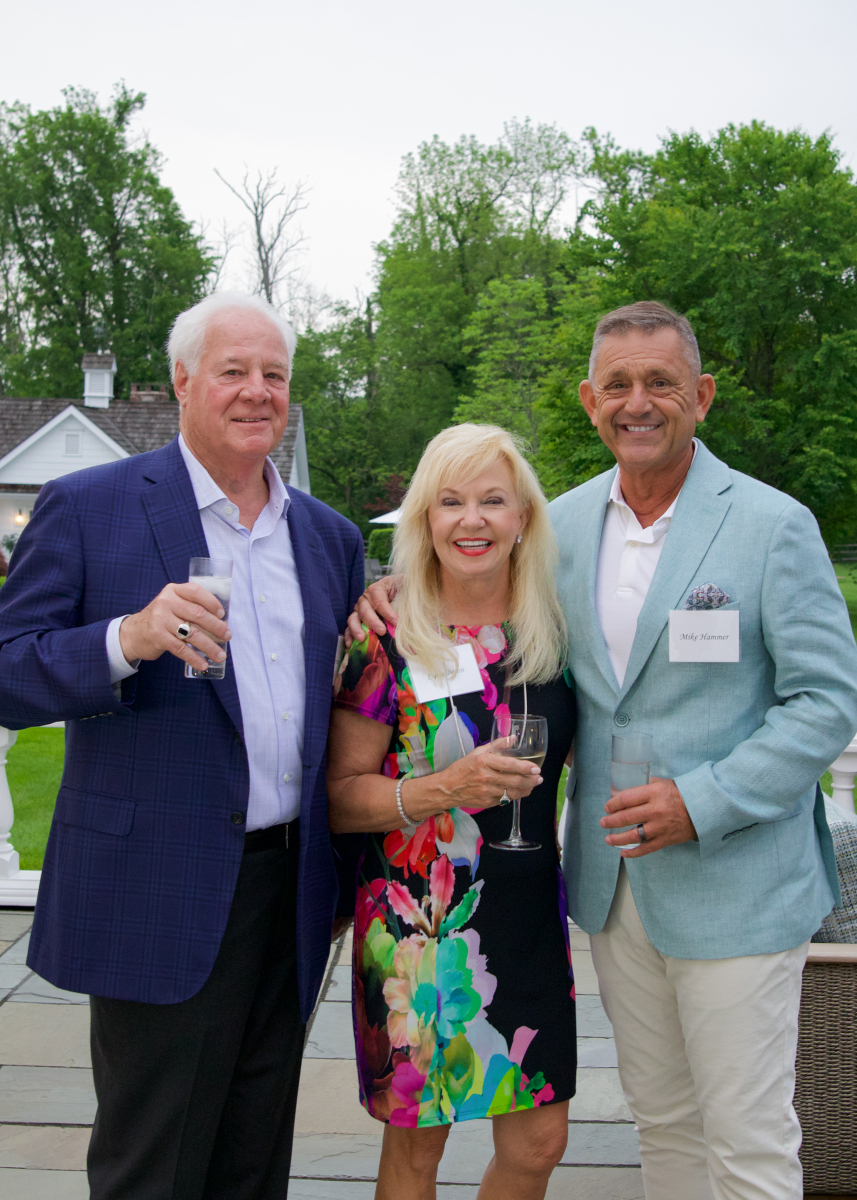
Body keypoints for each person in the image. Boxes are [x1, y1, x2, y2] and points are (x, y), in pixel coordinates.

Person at [351, 302, 857, 1200]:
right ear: (590, 402)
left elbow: (826, 702)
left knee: (747, 1143)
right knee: (662, 1125)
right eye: (616, 385)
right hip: (611, 893)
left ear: (701, 395)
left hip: (737, 885)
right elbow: (466, 577)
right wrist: (391, 592)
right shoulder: (565, 527)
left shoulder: (771, 524)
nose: (638, 402)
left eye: (660, 382)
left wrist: (700, 799)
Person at [0, 291, 364, 1200]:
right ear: (182, 381)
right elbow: (8, 672)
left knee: (254, 1156)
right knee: (153, 1163)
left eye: (273, 374)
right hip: (156, 882)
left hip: (291, 885)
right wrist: (126, 637)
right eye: (233, 371)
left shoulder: (329, 538)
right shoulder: (90, 506)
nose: (257, 391)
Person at [328, 424, 576, 1200]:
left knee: (539, 1144)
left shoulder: (553, 630)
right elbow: (340, 796)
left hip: (529, 919)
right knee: (417, 1150)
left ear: (522, 517)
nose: (472, 520)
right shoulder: (387, 636)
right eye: (451, 502)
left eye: (493, 501)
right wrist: (445, 788)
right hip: (420, 930)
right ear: (425, 520)